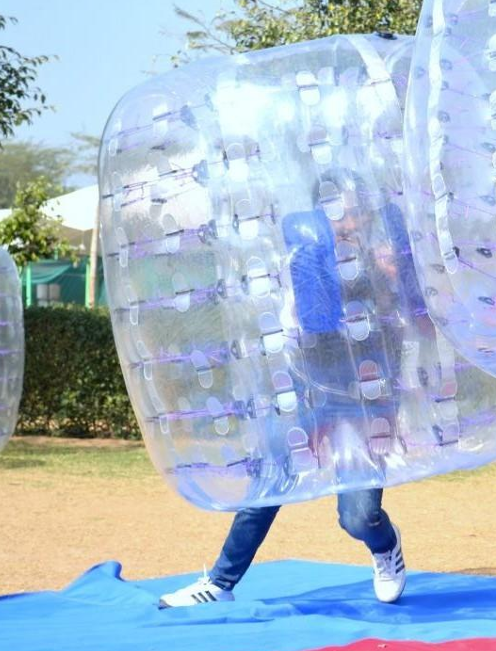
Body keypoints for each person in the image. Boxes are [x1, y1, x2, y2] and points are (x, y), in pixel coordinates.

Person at [159, 171, 408, 608]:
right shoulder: (305, 260)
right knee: (271, 481)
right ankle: (220, 583)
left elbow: (402, 330)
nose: (349, 222)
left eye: (356, 213)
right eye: (339, 213)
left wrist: (389, 280)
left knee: (357, 517)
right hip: (310, 390)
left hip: (363, 401)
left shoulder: (381, 261)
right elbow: (290, 331)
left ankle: (385, 545)